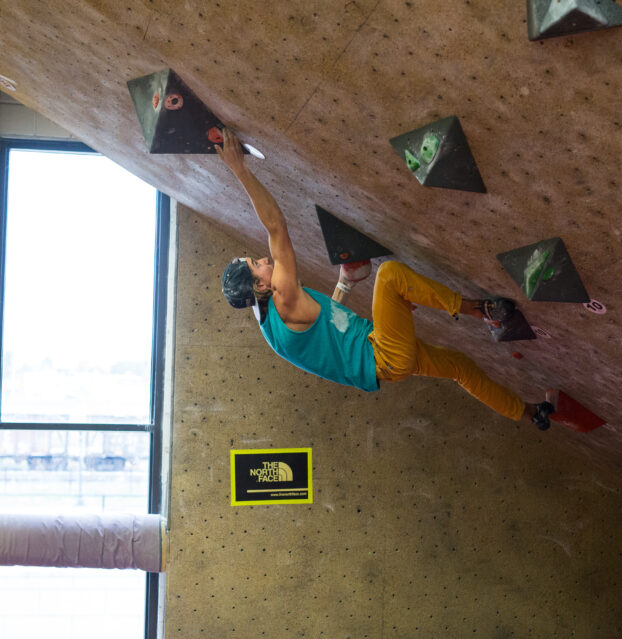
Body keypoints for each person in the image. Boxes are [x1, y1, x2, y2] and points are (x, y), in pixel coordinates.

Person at [215, 128, 554, 430]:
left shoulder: (275, 326)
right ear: (260, 286)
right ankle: (482, 311)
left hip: (385, 361)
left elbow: (328, 330)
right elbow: (275, 226)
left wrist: (344, 283)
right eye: (257, 263)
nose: (264, 260)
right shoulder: (282, 297)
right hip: (381, 354)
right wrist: (238, 168)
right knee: (390, 275)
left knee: (460, 367)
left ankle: (531, 413)